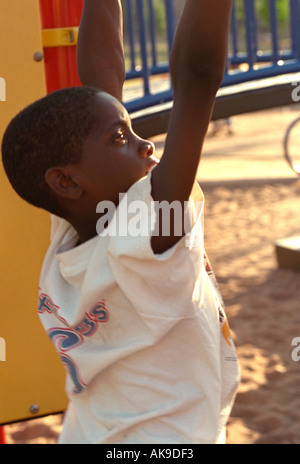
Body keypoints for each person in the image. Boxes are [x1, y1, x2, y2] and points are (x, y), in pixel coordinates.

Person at [1, 0, 239, 444]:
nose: (146, 145)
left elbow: (101, 76)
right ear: (68, 181)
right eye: (120, 138)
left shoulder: (71, 230)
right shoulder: (148, 238)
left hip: (91, 430)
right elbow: (197, 80)